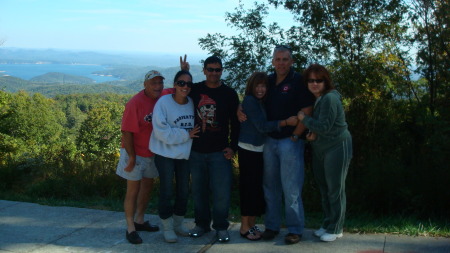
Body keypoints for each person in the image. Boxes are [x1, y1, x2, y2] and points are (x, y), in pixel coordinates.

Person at [180, 55, 240, 243]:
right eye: (210, 69)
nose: (214, 73)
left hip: (220, 152)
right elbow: (179, 91)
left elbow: (236, 124)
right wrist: (184, 71)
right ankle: (202, 224)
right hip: (196, 151)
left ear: (222, 71)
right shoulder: (196, 89)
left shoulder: (229, 94)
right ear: (204, 70)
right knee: (199, 191)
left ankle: (221, 227)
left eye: (217, 69)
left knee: (221, 193)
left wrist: (233, 147)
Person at [260, 45, 314, 244]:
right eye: (278, 59)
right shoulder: (268, 80)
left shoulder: (298, 81)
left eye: (285, 59)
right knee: (270, 185)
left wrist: (295, 135)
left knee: (291, 188)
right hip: (269, 139)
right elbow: (254, 99)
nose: (281, 63)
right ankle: (272, 226)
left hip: (289, 141)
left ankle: (295, 229)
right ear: (273, 61)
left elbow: (307, 109)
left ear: (291, 61)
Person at [237, 72, 298, 241]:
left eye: (264, 86)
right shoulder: (250, 101)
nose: (261, 89)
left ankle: (251, 224)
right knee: (248, 188)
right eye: (257, 85)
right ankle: (244, 227)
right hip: (248, 149)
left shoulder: (260, 101)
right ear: (251, 86)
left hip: (258, 149)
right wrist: (286, 122)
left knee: (256, 188)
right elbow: (262, 126)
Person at [297, 64, 352, 242]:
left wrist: (304, 119)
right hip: (322, 148)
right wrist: (312, 133)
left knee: (335, 189)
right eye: (311, 80)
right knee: (325, 188)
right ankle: (328, 223)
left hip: (337, 147)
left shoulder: (329, 98)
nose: (314, 83)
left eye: (318, 80)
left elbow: (324, 126)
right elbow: (321, 126)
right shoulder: (319, 98)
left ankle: (336, 228)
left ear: (325, 81)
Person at [149, 70, 200, 243]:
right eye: (181, 83)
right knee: (167, 191)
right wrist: (186, 134)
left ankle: (178, 223)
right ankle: (167, 227)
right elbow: (161, 132)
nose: (185, 87)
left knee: (184, 191)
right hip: (164, 154)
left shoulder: (192, 103)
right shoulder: (163, 103)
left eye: (188, 84)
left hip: (183, 155)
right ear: (174, 84)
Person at [115, 70, 163, 244]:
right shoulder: (135, 103)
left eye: (160, 83)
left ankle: (140, 220)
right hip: (133, 152)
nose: (158, 86)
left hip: (151, 153)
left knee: (147, 187)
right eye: (153, 83)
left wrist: (185, 72)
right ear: (145, 84)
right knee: (132, 191)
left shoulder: (161, 97)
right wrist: (132, 157)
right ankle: (130, 228)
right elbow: (126, 132)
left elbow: (180, 89)